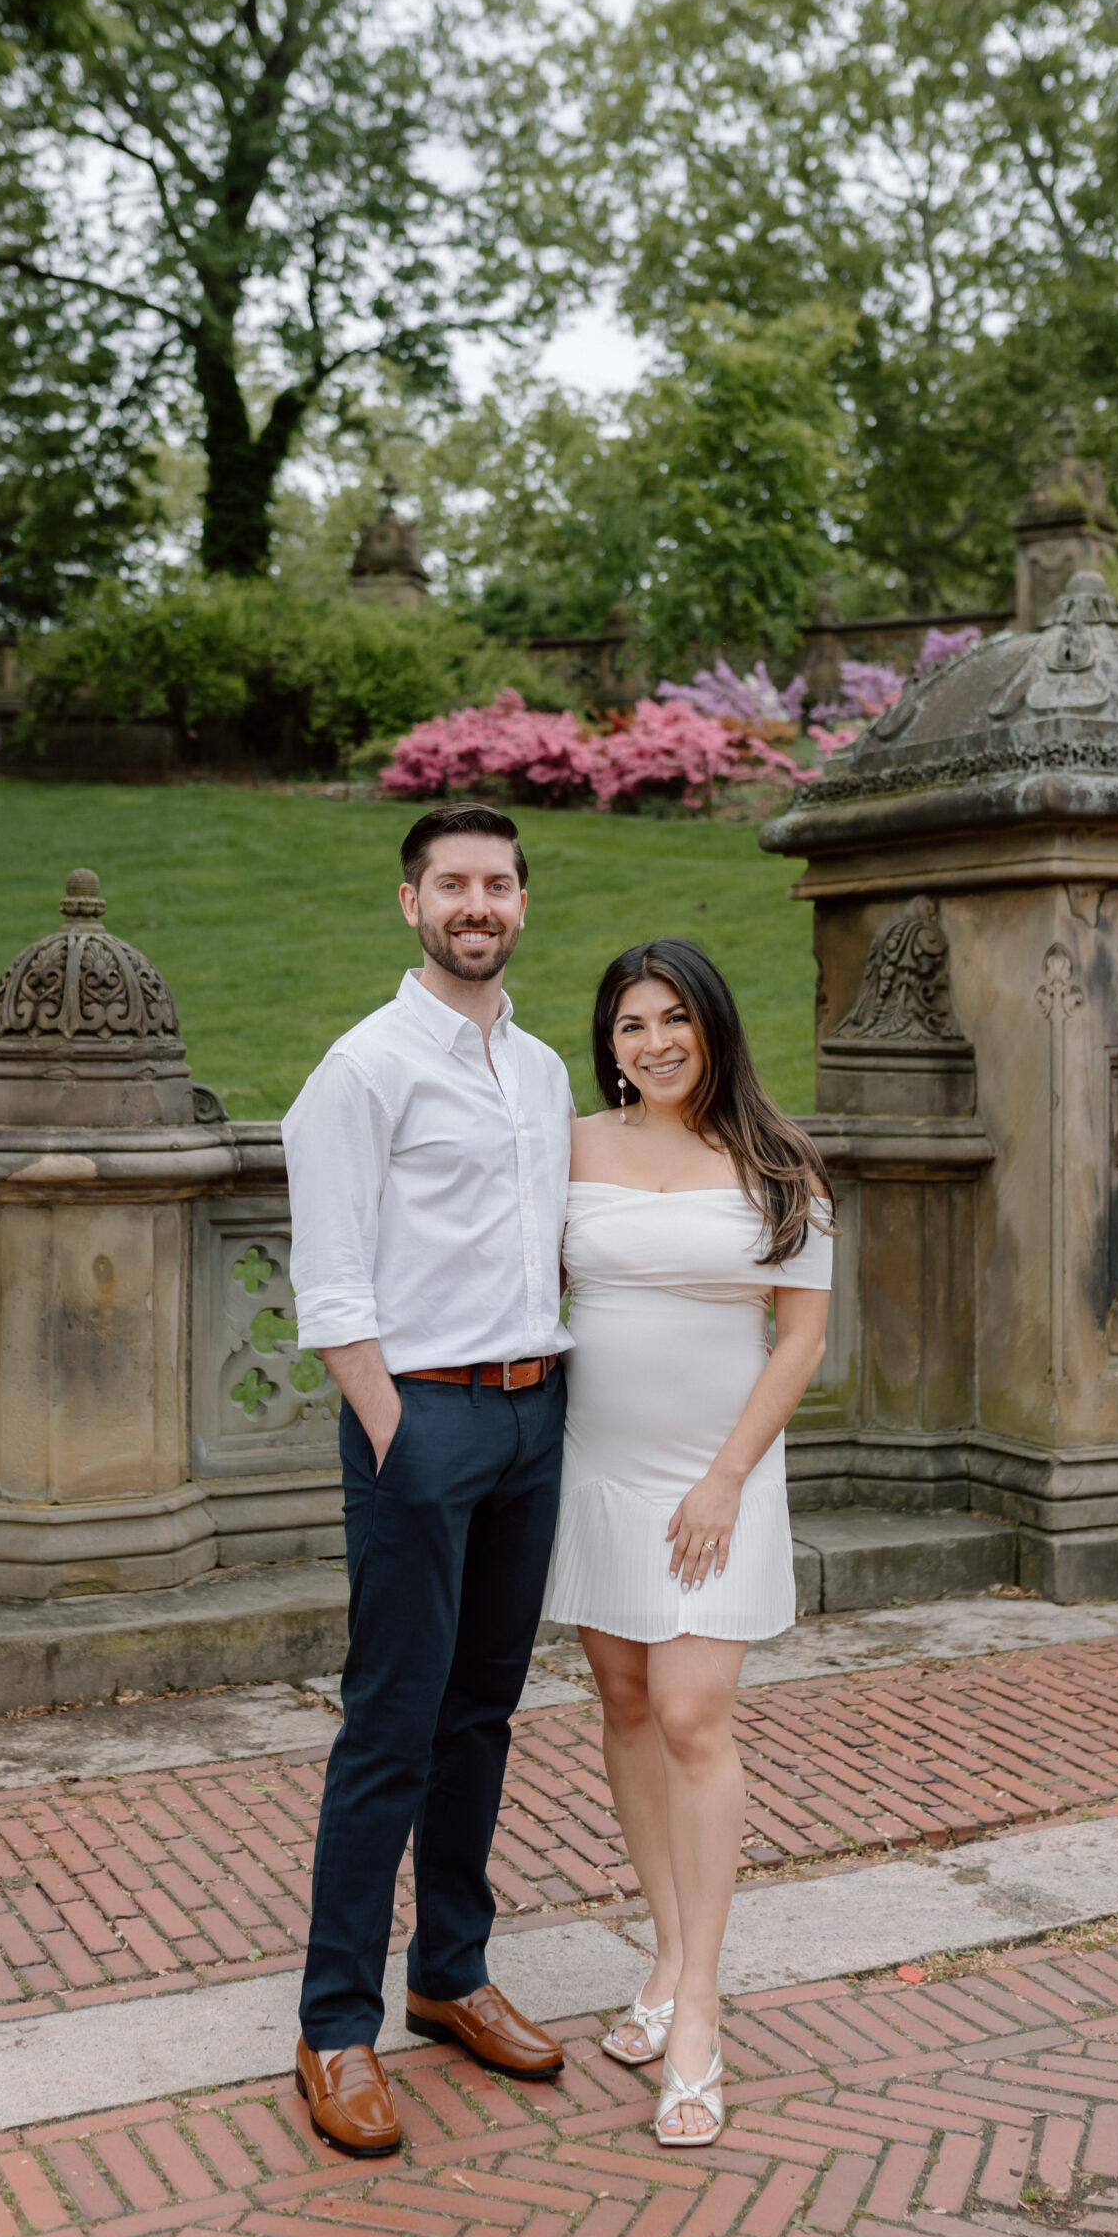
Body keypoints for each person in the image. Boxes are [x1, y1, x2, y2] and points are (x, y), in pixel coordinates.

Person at [281, 803, 573, 2158]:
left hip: (530, 1416)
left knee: (482, 1715)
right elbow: (331, 1277)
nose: (477, 902)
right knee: (390, 1723)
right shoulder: (360, 1069)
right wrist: (391, 1428)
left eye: (496, 883)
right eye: (451, 882)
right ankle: (334, 2025)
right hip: (424, 1426)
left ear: (519, 902)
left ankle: (448, 1974)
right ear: (410, 903)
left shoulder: (543, 1070)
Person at [545, 939, 832, 2148]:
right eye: (629, 1025)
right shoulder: (569, 1144)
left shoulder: (777, 1162)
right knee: (620, 1700)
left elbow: (803, 1340)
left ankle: (701, 2010)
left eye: (674, 1020)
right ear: (607, 1042)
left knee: (691, 1714)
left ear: (713, 1026)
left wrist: (725, 1478)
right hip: (597, 1471)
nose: (652, 1042)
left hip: (717, 1480)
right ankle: (664, 1954)